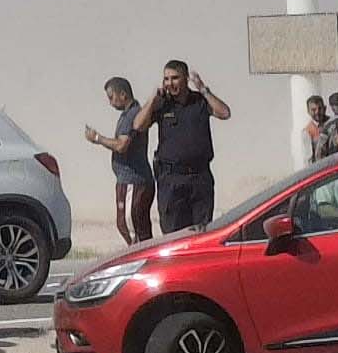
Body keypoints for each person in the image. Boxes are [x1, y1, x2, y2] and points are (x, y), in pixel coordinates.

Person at [135, 62, 231, 234]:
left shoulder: (200, 101)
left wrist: (203, 89)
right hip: (172, 178)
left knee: (201, 233)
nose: (169, 83)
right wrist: (151, 101)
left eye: (175, 78)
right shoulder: (162, 104)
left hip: (199, 178)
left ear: (186, 79)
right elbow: (138, 126)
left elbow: (224, 113)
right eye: (166, 79)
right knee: (173, 234)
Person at [85, 78, 154, 245]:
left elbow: (122, 145)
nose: (110, 102)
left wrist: (97, 138)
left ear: (123, 94)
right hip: (131, 180)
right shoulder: (129, 114)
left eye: (111, 97)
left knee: (129, 225)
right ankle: (144, 258)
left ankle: (139, 258)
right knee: (135, 226)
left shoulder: (132, 114)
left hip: (133, 181)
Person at [299, 94, 331, 162]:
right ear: (308, 111)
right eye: (313, 110)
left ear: (325, 108)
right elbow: (309, 158)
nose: (317, 112)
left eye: (320, 108)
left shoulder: (332, 123)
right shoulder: (307, 131)